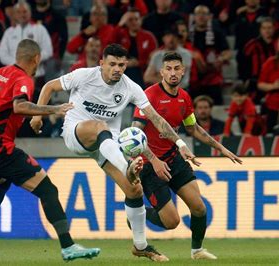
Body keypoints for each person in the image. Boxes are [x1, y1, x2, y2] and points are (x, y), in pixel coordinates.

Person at [31, 44, 199, 262]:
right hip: (77, 133)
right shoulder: (84, 76)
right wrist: (37, 114)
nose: (117, 69)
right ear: (102, 63)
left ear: (126, 65)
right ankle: (126, 166)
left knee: (134, 189)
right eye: (112, 64)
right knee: (101, 127)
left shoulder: (131, 87)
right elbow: (49, 87)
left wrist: (179, 142)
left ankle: (140, 245)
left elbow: (157, 119)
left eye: (121, 64)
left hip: (106, 146)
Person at [0, 39, 100, 262]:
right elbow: (19, 106)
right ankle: (68, 246)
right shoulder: (23, 79)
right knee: (48, 191)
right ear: (36, 58)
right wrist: (54, 109)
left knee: (1, 182)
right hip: (0, 147)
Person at [132, 52, 242, 260]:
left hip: (175, 159)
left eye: (176, 69)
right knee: (171, 222)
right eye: (168, 69)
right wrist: (153, 160)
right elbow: (135, 133)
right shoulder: (149, 96)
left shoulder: (184, 97)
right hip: (151, 164)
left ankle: (197, 250)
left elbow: (194, 129)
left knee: (199, 208)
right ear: (162, 71)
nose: (173, 73)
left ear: (183, 71)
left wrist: (222, 149)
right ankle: (137, 217)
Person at [0, 0, 52, 93]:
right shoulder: (9, 32)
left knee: (38, 106)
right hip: (13, 78)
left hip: (36, 77)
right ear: (14, 14)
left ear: (30, 13)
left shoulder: (40, 29)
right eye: (19, 12)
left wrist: (31, 61)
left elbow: (48, 51)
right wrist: (17, 64)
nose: (22, 14)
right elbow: (2, 53)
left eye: (25, 12)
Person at [258, 32, 279, 134]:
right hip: (272, 105)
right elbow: (260, 84)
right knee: (270, 132)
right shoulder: (270, 62)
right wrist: (274, 86)